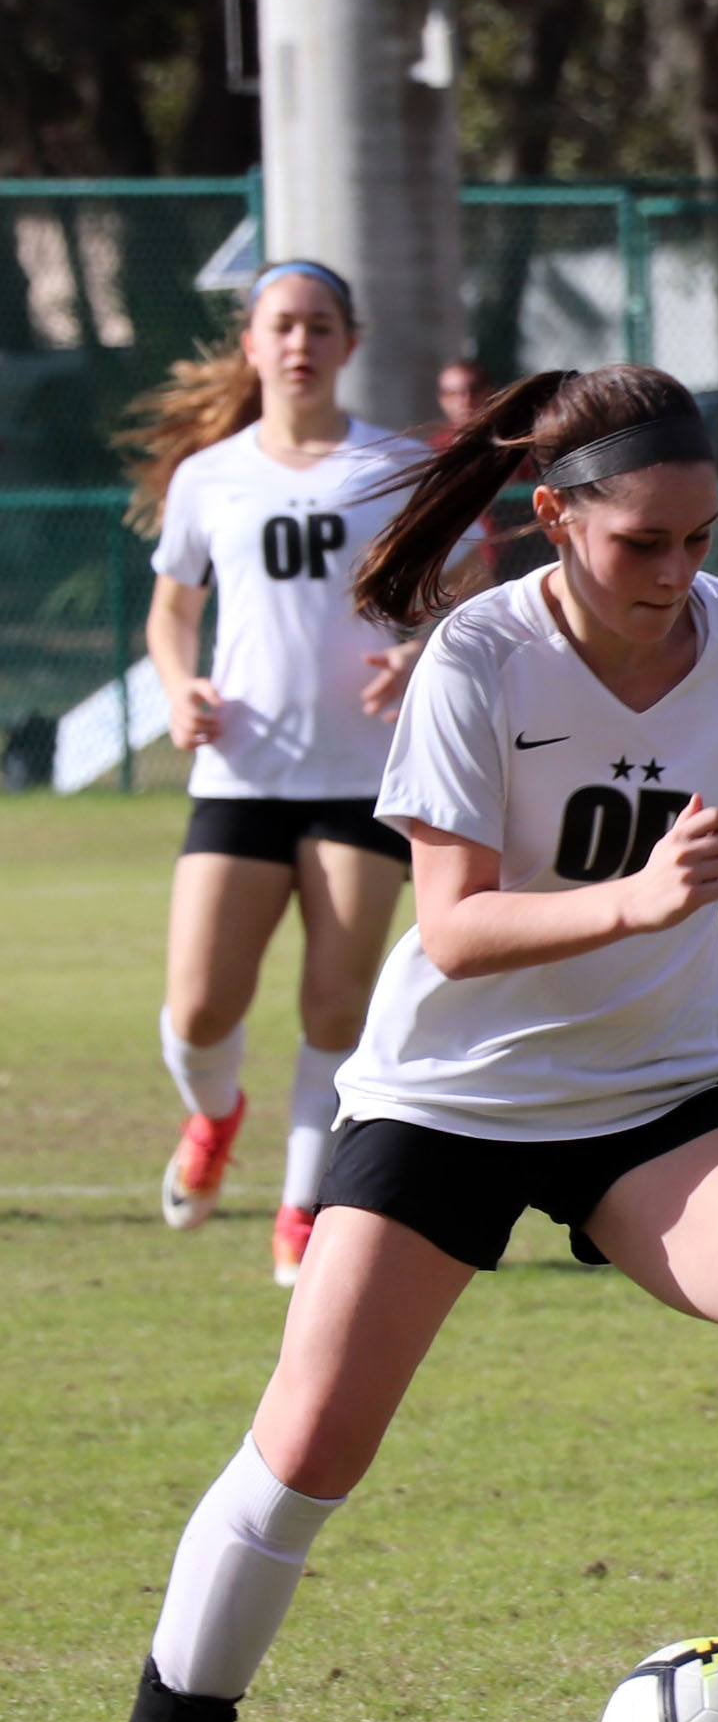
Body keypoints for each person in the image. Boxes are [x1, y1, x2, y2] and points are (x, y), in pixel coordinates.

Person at [52, 364, 718, 1722]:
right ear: (552, 520)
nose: (679, 576)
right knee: (307, 1446)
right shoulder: (477, 661)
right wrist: (638, 902)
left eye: (700, 538)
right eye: (642, 546)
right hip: (449, 1103)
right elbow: (459, 927)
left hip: (660, 1090)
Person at [135, 260, 437, 1290]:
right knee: (201, 1009)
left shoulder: (397, 465)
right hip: (241, 778)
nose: (300, 342)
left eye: (319, 325)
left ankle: (302, 1205)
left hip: (365, 780)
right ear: (252, 345)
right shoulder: (208, 477)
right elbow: (174, 614)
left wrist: (417, 651)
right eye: (282, 325)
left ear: (350, 343)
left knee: (333, 1007)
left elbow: (464, 591)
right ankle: (215, 1114)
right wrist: (180, 687)